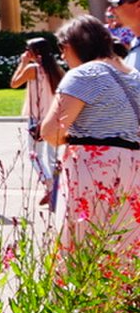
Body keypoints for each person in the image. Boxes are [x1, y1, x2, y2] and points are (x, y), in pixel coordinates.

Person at [39, 15, 140, 250]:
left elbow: (51, 131)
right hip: (134, 168)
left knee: (84, 245)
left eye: (62, 48)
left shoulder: (83, 75)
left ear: (72, 45)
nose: (62, 56)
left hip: (95, 169)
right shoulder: (134, 75)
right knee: (125, 245)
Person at [12, 35, 64, 208]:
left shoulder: (33, 68)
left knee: (34, 155)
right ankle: (56, 189)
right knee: (52, 157)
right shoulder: (56, 69)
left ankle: (48, 184)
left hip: (38, 118)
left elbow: (14, 83)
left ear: (34, 52)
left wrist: (22, 63)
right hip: (54, 117)